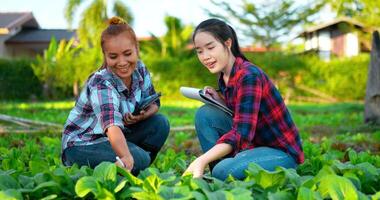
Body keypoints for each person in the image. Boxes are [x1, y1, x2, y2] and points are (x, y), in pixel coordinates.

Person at [184, 18, 304, 181]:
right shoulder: (225, 75)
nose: (205, 56)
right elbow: (242, 112)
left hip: (280, 153)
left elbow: (242, 132)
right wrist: (219, 101)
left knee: (222, 172)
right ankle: (223, 169)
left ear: (227, 43)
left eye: (210, 47)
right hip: (253, 146)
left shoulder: (249, 76)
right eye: (199, 51)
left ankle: (221, 172)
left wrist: (202, 160)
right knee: (205, 114)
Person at [61, 16, 169, 175]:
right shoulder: (101, 82)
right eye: (113, 57)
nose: (122, 62)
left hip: (115, 137)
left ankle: (130, 167)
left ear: (136, 49)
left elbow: (154, 103)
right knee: (140, 159)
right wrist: (126, 155)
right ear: (105, 56)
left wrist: (143, 115)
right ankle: (131, 164)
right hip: (82, 145)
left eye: (127, 54)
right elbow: (112, 126)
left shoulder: (140, 69)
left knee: (160, 123)